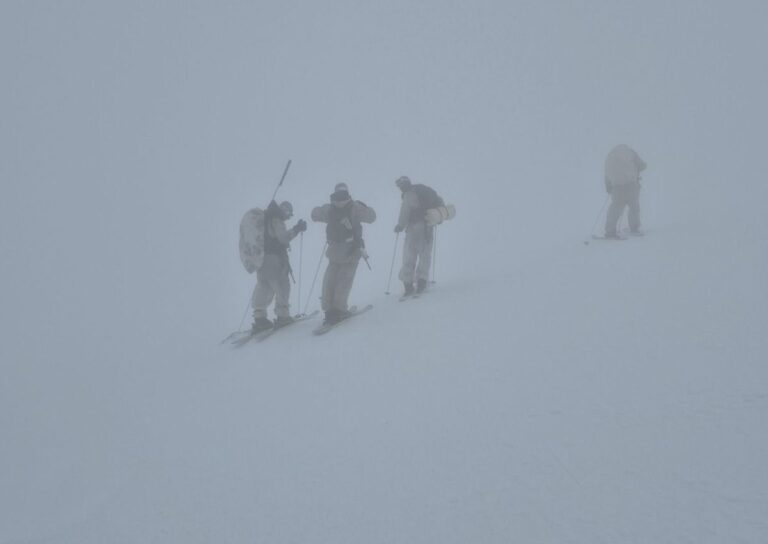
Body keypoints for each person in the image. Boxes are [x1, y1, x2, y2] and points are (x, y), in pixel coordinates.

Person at [311, 183, 376, 325]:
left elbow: (314, 214)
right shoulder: (355, 207)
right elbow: (372, 217)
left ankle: (328, 310)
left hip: (334, 249)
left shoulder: (329, 208)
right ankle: (339, 310)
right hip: (351, 249)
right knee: (344, 280)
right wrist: (364, 206)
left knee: (330, 278)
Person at [251, 200, 307, 333]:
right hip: (274, 260)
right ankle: (283, 316)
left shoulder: (265, 219)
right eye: (289, 214)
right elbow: (283, 238)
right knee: (282, 286)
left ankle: (260, 318)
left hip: (261, 259)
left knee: (264, 286)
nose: (288, 217)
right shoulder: (277, 220)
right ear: (285, 210)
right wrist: (296, 229)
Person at [394, 176, 444, 295]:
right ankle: (422, 282)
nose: (400, 189)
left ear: (403, 185)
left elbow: (405, 212)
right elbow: (439, 202)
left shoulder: (409, 195)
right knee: (425, 255)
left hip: (414, 229)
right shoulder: (423, 192)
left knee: (409, 256)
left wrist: (400, 226)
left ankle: (408, 285)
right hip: (428, 227)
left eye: (400, 186)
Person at [604, 144, 647, 238]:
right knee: (634, 208)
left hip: (617, 188)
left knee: (615, 209)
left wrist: (609, 187)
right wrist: (635, 170)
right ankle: (634, 228)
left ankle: (610, 231)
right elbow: (643, 165)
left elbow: (607, 173)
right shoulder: (630, 152)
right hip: (631, 185)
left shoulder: (610, 156)